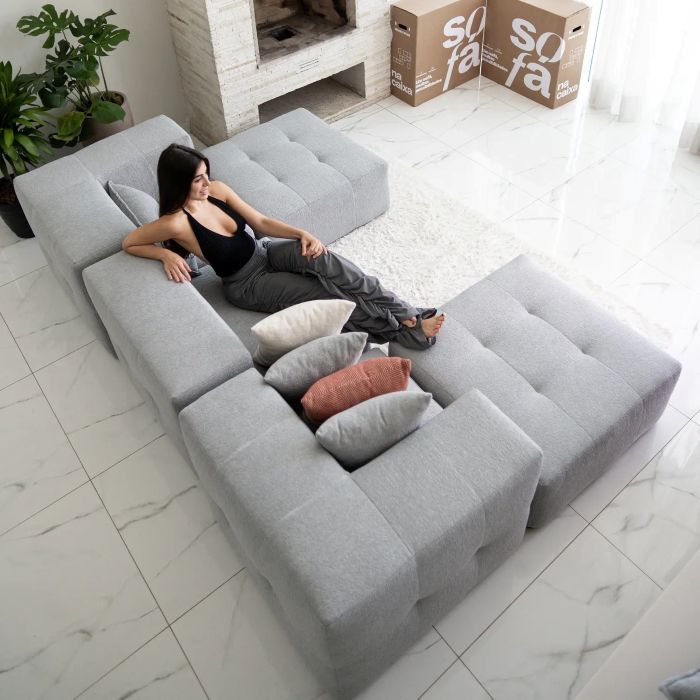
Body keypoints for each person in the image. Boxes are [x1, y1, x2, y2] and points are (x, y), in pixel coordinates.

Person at [122, 143, 446, 349]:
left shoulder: (217, 190)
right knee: (325, 294)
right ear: (179, 183)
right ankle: (409, 331)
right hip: (247, 283)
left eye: (206, 174)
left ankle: (403, 310)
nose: (207, 183)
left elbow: (261, 221)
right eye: (197, 180)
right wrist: (164, 253)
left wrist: (301, 233)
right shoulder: (176, 222)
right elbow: (130, 242)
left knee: (328, 261)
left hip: (265, 252)